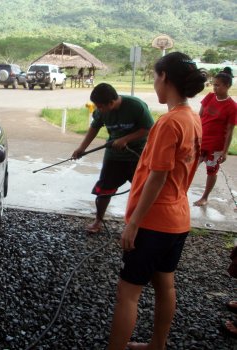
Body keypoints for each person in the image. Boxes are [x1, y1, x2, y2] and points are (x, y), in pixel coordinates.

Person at [107, 52, 206, 350]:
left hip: (153, 223)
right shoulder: (193, 118)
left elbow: (158, 176)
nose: (154, 83)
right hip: (178, 221)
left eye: (154, 77)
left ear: (164, 77)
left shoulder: (169, 123)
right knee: (166, 285)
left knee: (128, 293)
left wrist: (134, 223)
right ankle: (157, 346)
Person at [71, 83, 154, 233]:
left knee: (141, 191)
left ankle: (140, 225)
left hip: (138, 155)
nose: (99, 110)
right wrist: (82, 148)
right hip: (114, 156)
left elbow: (148, 129)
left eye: (101, 106)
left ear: (111, 102)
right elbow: (94, 127)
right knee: (104, 190)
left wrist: (125, 139)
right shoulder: (101, 111)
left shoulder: (135, 106)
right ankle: (98, 221)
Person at [193, 67, 236, 207]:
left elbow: (230, 131)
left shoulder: (232, 107)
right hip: (200, 141)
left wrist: (224, 151)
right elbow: (199, 117)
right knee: (190, 167)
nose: (215, 87)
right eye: (214, 84)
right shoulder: (209, 97)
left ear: (227, 86)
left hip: (215, 146)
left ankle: (205, 197)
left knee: (211, 171)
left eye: (218, 85)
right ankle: (180, 191)